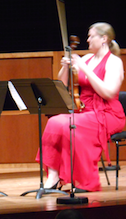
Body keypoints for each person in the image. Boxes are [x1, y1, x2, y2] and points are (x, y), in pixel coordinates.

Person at [36, 22, 125, 192]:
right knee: (54, 122)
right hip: (84, 110)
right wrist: (65, 67)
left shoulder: (114, 62)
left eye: (91, 36)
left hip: (107, 113)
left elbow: (108, 92)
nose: (88, 39)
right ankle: (54, 177)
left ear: (104, 39)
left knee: (70, 126)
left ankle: (85, 181)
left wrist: (84, 68)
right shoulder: (86, 59)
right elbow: (62, 84)